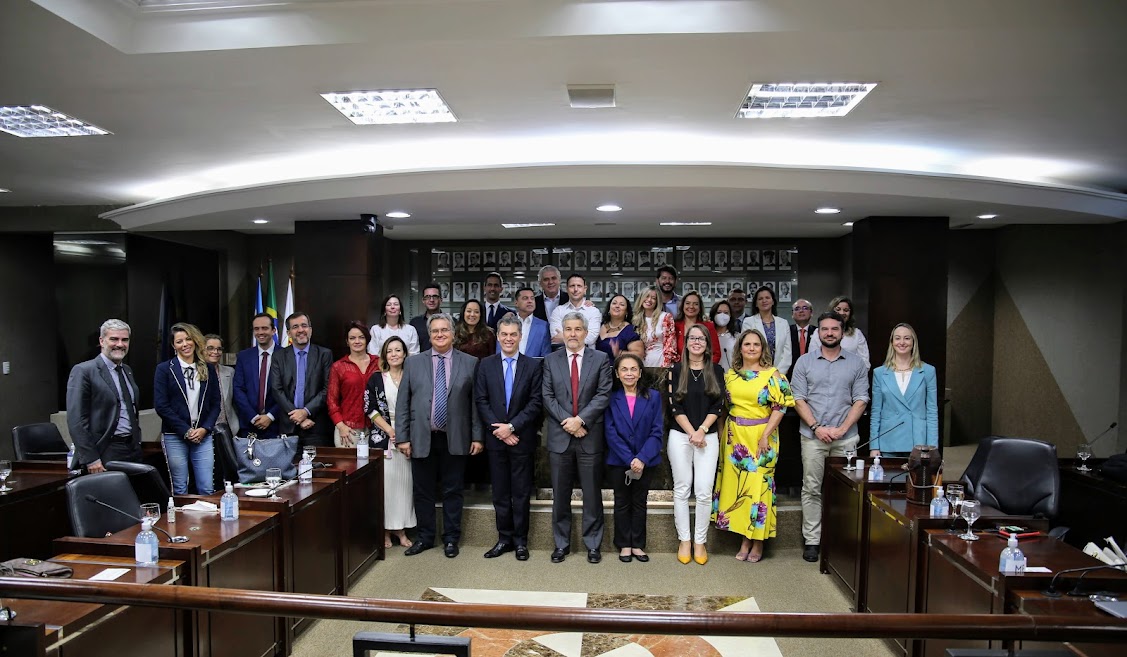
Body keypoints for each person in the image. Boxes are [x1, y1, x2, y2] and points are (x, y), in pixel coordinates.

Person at [396, 313, 483, 558]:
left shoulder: (469, 362)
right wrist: (402, 437)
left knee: (453, 491)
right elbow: (404, 403)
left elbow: (475, 404)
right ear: (429, 335)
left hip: (455, 437)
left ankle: (451, 539)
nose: (440, 334)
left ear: (454, 334)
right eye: (435, 331)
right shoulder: (413, 363)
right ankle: (425, 538)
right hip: (421, 437)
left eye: (445, 330)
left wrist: (477, 436)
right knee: (422, 491)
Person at [790, 311, 870, 563]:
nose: (829, 333)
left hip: (845, 439)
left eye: (834, 329)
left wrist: (842, 428)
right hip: (813, 437)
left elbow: (861, 400)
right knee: (812, 488)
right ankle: (813, 540)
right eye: (824, 329)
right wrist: (817, 427)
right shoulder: (804, 362)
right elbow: (798, 399)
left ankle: (839, 539)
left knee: (844, 492)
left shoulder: (856, 363)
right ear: (818, 333)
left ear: (842, 332)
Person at [713, 328, 795, 562]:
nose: (751, 348)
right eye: (747, 344)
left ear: (763, 349)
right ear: (740, 348)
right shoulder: (731, 375)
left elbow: (781, 407)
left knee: (759, 487)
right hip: (734, 437)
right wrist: (722, 434)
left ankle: (758, 543)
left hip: (762, 436)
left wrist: (765, 436)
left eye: (756, 345)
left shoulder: (773, 375)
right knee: (739, 488)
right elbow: (724, 408)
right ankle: (744, 539)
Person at [542, 312, 613, 564]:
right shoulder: (550, 360)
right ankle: (561, 544)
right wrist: (570, 423)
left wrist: (580, 420)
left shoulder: (601, 359)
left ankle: (593, 544)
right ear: (562, 332)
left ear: (585, 332)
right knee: (560, 495)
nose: (572, 334)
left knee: (592, 495)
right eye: (568, 329)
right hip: (560, 437)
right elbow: (547, 397)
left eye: (578, 329)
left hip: (589, 436)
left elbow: (603, 394)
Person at [474, 315, 544, 561]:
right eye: (504, 334)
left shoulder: (533, 366)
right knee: (500, 493)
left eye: (513, 334)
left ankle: (521, 542)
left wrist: (512, 427)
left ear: (520, 336)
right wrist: (500, 431)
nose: (508, 339)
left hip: (522, 439)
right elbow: (481, 401)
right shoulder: (485, 365)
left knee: (521, 493)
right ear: (498, 336)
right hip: (496, 440)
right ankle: (504, 539)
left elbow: (536, 403)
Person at [667, 324, 725, 565]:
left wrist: (702, 431)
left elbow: (719, 406)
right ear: (686, 342)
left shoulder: (717, 370)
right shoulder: (675, 370)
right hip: (680, 435)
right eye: (693, 338)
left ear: (707, 343)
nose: (697, 342)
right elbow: (673, 406)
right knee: (682, 489)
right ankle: (685, 540)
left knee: (703, 491)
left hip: (708, 436)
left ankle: (700, 542)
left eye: (701, 338)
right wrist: (692, 432)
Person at [604, 352, 663, 563]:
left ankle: (638, 544)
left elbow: (657, 431)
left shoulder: (653, 396)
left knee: (639, 502)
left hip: (646, 460)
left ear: (640, 373)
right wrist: (630, 458)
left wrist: (642, 458)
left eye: (633, 369)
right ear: (617, 374)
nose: (629, 373)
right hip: (619, 461)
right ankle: (624, 544)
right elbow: (610, 433)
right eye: (624, 369)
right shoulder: (611, 398)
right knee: (621, 502)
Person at [65, 318, 143, 472]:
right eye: (114, 339)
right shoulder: (84, 371)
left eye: (124, 340)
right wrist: (90, 458)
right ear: (101, 341)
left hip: (132, 448)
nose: (120, 344)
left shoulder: (126, 370)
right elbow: (76, 421)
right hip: (105, 450)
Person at [154, 322, 221, 495]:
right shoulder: (164, 370)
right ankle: (181, 522)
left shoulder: (207, 368)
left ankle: (206, 522)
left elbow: (215, 403)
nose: (185, 344)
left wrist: (205, 428)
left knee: (206, 487)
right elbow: (161, 406)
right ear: (173, 345)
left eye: (188, 339)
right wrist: (186, 430)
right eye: (179, 341)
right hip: (175, 435)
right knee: (180, 487)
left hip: (203, 435)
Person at [365, 336, 416, 549]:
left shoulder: (413, 376)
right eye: (390, 351)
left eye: (398, 350)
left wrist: (406, 433)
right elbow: (370, 408)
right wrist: (391, 431)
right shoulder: (376, 378)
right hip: (384, 437)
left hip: (410, 437)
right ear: (385, 355)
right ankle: (384, 531)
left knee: (405, 487)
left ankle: (401, 530)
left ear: (405, 353)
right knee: (385, 488)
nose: (394, 354)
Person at [870, 323, 939, 457]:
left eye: (907, 338)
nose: (902, 342)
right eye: (898, 338)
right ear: (892, 342)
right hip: (888, 440)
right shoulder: (879, 373)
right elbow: (876, 411)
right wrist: (874, 445)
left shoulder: (928, 371)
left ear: (913, 342)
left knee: (917, 478)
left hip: (918, 442)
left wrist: (933, 446)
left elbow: (932, 411)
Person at [270, 311, 334, 447]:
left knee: (318, 467)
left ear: (310, 330)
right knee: (289, 468)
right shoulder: (278, 356)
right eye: (295, 327)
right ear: (288, 333)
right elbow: (276, 389)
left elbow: (327, 388)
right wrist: (297, 417)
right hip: (288, 427)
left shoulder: (324, 354)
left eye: (304, 326)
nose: (300, 330)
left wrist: (306, 411)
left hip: (316, 425)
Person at [328, 321, 380, 448]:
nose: (357, 341)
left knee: (375, 467)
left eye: (361, 337)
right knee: (349, 467)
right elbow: (332, 401)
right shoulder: (338, 366)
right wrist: (340, 425)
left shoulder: (378, 362)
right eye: (352, 338)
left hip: (377, 428)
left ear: (367, 340)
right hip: (348, 430)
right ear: (347, 341)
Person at [233, 312, 280, 439]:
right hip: (249, 425)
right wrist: (252, 417)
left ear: (274, 330)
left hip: (277, 425)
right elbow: (238, 389)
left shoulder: (285, 355)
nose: (260, 332)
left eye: (264, 328)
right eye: (256, 329)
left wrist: (270, 416)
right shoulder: (243, 356)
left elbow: (289, 390)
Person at [741, 286, 792, 375]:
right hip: (755, 373)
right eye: (760, 299)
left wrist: (777, 373)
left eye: (767, 298)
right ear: (756, 303)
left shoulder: (783, 323)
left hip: (779, 373)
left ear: (773, 301)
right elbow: (747, 349)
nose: (764, 301)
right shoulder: (748, 322)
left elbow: (787, 353)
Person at [810, 296, 870, 367]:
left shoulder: (857, 334)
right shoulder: (819, 332)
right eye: (838, 309)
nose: (842, 313)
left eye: (846, 310)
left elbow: (865, 363)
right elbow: (812, 359)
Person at [548, 273, 601, 348]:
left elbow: (591, 338)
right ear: (567, 289)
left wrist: (564, 338)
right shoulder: (558, 311)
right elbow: (556, 336)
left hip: (588, 357)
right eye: (572, 286)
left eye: (579, 286)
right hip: (563, 357)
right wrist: (581, 337)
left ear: (585, 289)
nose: (575, 289)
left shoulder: (593, 311)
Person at [203, 334, 239, 436]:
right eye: (210, 348)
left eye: (219, 349)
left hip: (228, 429)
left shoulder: (230, 372)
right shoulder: (195, 372)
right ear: (201, 349)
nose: (215, 352)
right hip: (203, 430)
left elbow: (235, 401)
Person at [634, 286, 677, 368]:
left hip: (661, 362)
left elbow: (671, 345)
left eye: (653, 298)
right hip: (639, 364)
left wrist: (665, 367)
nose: (649, 300)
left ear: (657, 301)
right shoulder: (635, 319)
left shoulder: (665, 317)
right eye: (647, 296)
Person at [674, 291, 721, 364]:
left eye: (695, 304)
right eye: (687, 303)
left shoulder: (708, 326)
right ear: (682, 306)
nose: (691, 306)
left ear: (700, 308)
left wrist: (704, 369)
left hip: (703, 371)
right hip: (678, 370)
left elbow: (716, 354)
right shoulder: (674, 326)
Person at [509, 286, 552, 358]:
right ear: (516, 303)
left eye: (532, 298)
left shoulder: (543, 326)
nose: (530, 301)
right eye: (525, 298)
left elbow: (546, 355)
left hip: (534, 368)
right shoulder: (506, 324)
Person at [596, 294, 641, 359]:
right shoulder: (598, 325)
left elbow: (639, 354)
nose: (617, 306)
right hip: (597, 368)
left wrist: (619, 353)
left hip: (618, 367)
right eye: (614, 303)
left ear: (626, 312)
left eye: (622, 304)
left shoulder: (631, 330)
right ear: (609, 309)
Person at [410, 282, 444, 352]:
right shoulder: (415, 323)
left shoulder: (451, 322)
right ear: (423, 300)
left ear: (441, 300)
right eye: (427, 297)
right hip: (420, 362)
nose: (431, 300)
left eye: (435, 296)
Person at [788, 298, 814, 379]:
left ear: (811, 313)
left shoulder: (817, 332)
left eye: (805, 308)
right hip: (790, 375)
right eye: (797, 309)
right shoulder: (786, 331)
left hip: (812, 375)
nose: (801, 311)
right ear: (792, 314)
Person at [709, 300, 738, 371]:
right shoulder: (707, 336)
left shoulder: (737, 337)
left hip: (731, 376)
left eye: (726, 313)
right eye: (719, 312)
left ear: (730, 315)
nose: (722, 315)